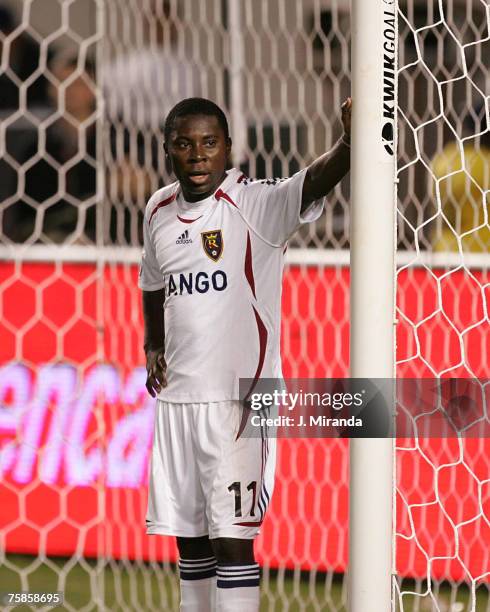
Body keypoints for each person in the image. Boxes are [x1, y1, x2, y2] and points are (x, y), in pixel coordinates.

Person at [139, 97, 351, 612]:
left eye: (209, 143)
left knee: (232, 540)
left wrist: (350, 143)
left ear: (227, 148)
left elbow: (314, 179)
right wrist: (153, 344)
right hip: (178, 403)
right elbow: (150, 281)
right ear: (168, 149)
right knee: (189, 540)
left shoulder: (255, 204)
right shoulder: (158, 211)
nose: (197, 155)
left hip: (240, 402)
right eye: (185, 144)